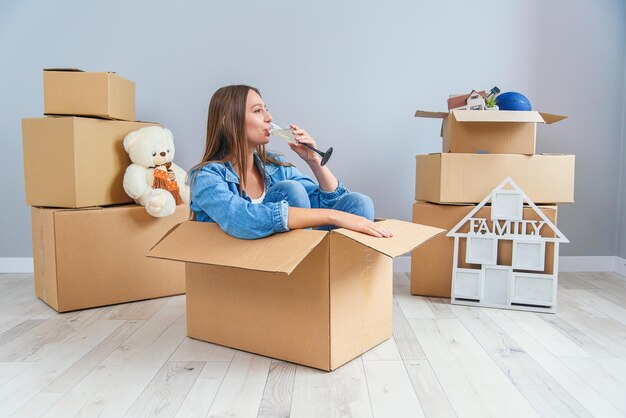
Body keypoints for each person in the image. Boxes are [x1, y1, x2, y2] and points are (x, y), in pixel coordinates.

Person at [188, 85, 392, 240]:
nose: (269, 117)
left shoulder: (274, 165)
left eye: (266, 110)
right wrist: (333, 217)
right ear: (227, 121)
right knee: (291, 190)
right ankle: (303, 282)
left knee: (359, 202)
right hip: (253, 265)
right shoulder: (207, 177)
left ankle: (334, 283)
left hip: (304, 256)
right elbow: (241, 220)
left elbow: (331, 204)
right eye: (258, 110)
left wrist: (314, 161)